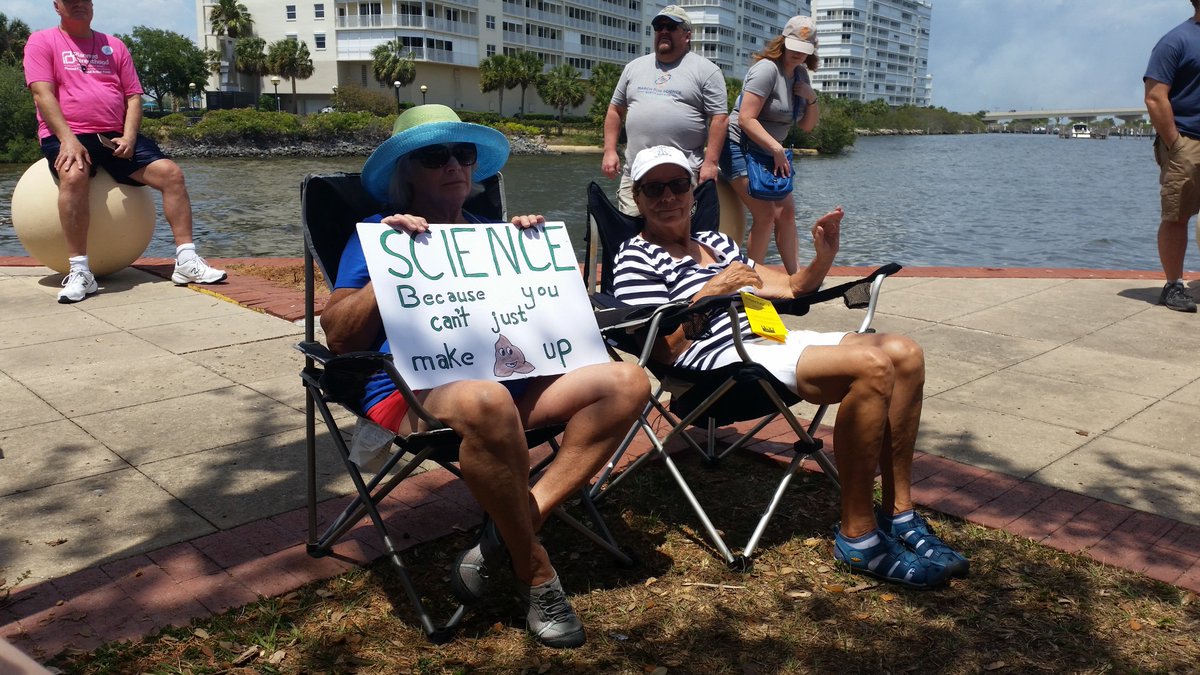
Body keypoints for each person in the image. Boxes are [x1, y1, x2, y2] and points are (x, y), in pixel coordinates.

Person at [319, 104, 649, 648]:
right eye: (434, 156)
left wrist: (530, 254)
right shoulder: (379, 233)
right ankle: (535, 570)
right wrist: (389, 268)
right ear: (407, 172)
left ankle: (510, 527)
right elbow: (338, 335)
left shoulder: (492, 236)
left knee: (629, 381)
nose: (453, 165)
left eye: (462, 154)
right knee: (487, 401)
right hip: (416, 392)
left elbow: (539, 318)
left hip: (510, 384)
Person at [613, 145, 968, 589]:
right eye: (653, 188)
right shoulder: (634, 258)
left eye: (678, 184)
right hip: (718, 366)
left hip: (768, 343)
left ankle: (900, 514)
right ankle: (858, 536)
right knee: (873, 366)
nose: (667, 197)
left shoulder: (718, 243)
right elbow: (661, 351)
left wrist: (822, 256)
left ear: (692, 191)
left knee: (905, 353)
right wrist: (709, 292)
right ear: (637, 198)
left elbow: (794, 287)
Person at [23, 0, 225, 304]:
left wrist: (129, 136)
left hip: (115, 136)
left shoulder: (114, 45)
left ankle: (186, 260)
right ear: (57, 5)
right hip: (68, 133)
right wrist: (67, 139)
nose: (78, 4)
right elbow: (42, 93)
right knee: (74, 174)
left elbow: (133, 96)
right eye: (70, 0)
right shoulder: (42, 41)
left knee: (171, 175)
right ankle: (80, 272)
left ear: (92, 4)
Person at [602, 4, 728, 216]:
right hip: (636, 175)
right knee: (635, 235)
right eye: (659, 27)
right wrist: (609, 150)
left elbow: (720, 118)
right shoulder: (633, 67)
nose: (663, 31)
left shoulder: (707, 70)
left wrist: (711, 163)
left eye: (671, 26)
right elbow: (615, 110)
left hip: (681, 178)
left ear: (687, 35)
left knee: (677, 239)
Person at [720, 16, 821, 275]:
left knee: (787, 212)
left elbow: (807, 127)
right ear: (784, 43)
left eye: (805, 49)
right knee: (765, 214)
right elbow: (745, 118)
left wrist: (811, 99)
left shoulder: (800, 75)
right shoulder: (766, 70)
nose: (799, 53)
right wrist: (777, 148)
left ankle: (796, 277)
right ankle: (754, 280)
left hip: (769, 153)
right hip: (738, 146)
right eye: (795, 46)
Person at [1144, 1, 1200, 313]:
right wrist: (1175, 143)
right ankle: (1173, 285)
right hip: (1187, 140)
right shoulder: (1175, 41)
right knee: (1177, 216)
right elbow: (1155, 96)